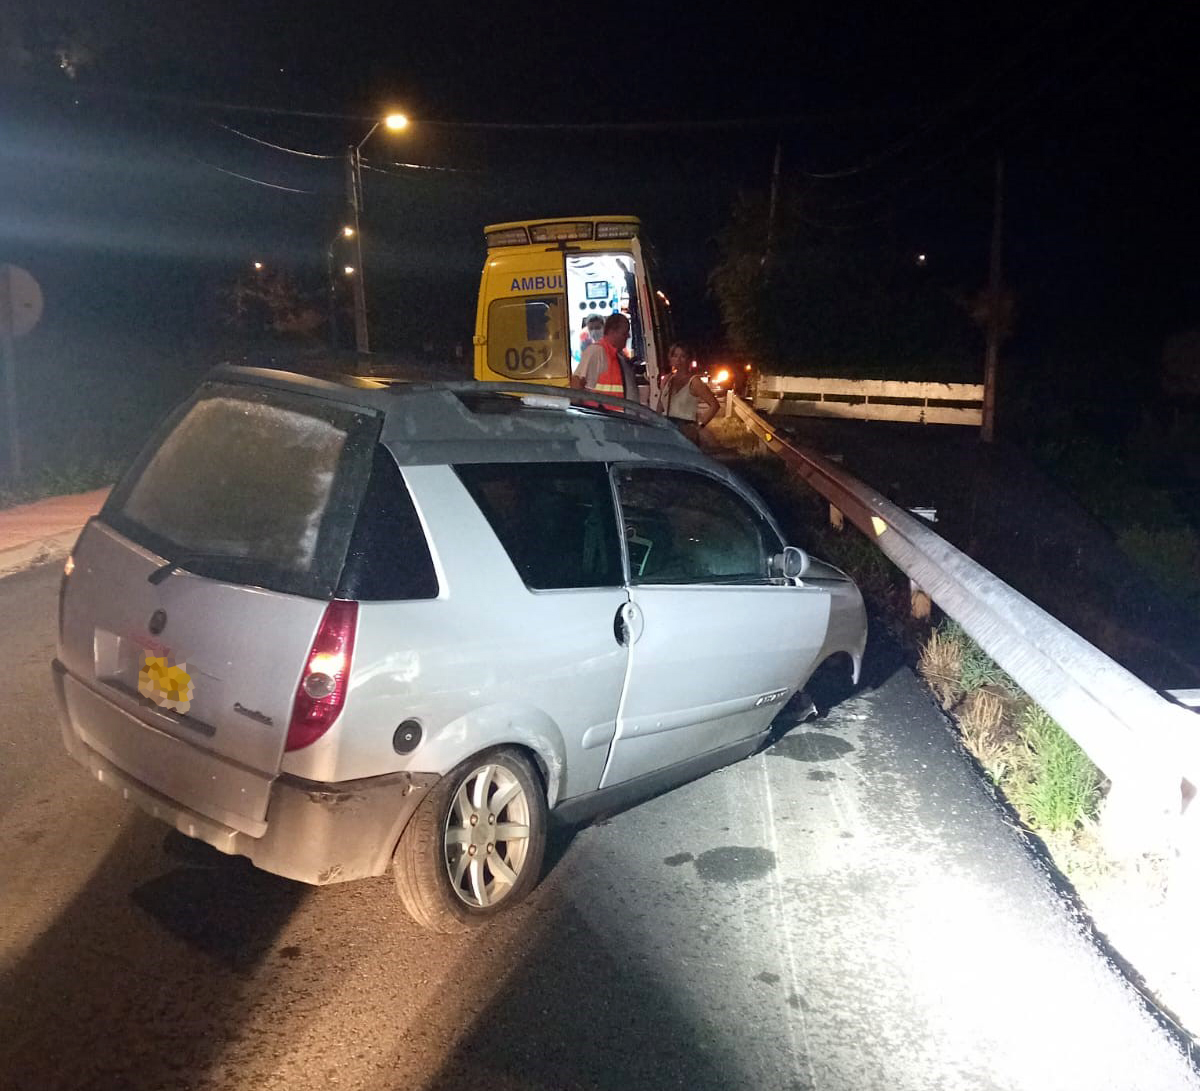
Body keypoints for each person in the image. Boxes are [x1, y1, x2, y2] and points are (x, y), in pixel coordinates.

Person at [659, 342, 720, 442]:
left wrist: (698, 426)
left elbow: (714, 405)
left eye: (683, 356)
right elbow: (660, 406)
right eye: (675, 356)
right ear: (670, 359)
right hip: (667, 429)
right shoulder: (667, 379)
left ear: (689, 360)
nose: (678, 360)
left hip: (686, 432)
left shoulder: (694, 382)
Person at [570, 313, 636, 401]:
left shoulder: (619, 355)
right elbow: (577, 384)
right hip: (601, 413)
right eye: (624, 333)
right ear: (612, 332)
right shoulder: (596, 351)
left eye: (597, 327)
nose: (628, 336)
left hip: (619, 413)